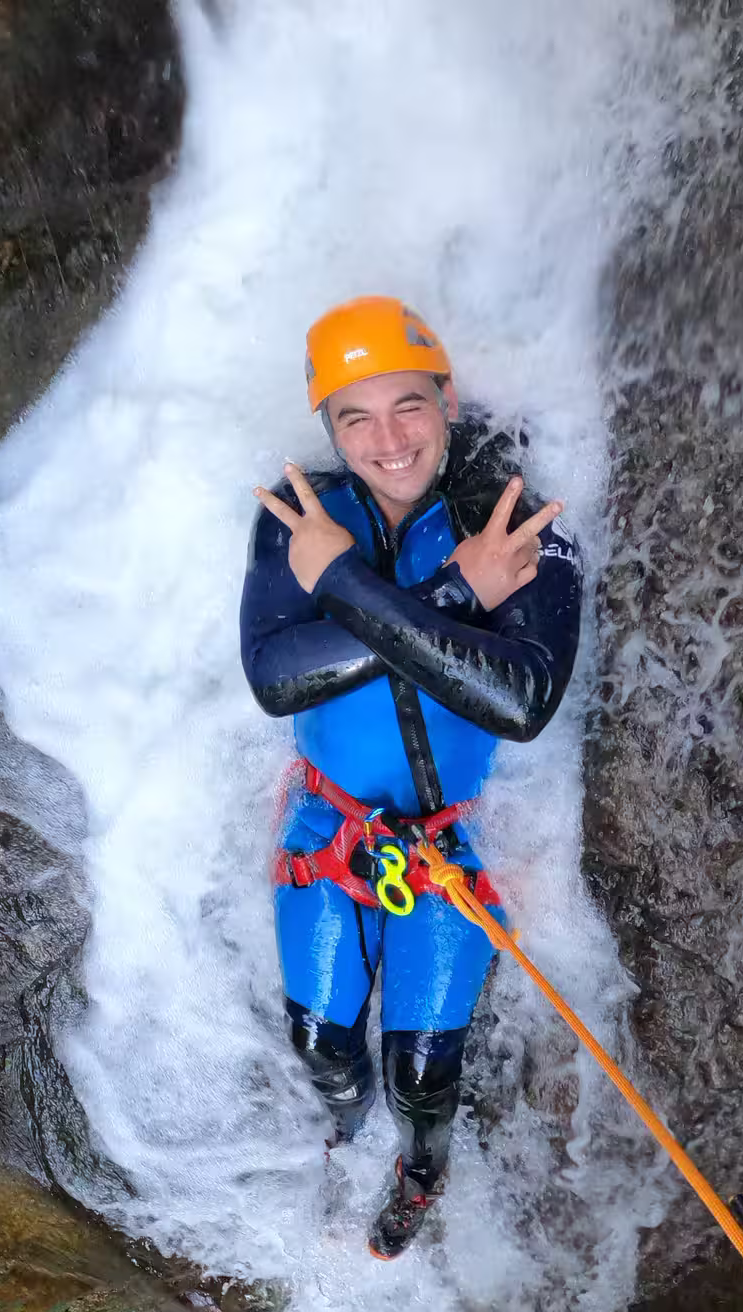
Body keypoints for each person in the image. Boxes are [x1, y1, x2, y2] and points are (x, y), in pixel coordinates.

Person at [240, 296, 582, 1258]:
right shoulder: (298, 515)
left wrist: (344, 585)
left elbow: (520, 700)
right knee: (319, 1043)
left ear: (449, 398)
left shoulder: (514, 517)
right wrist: (456, 595)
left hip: (445, 843)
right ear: (329, 429)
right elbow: (276, 679)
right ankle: (340, 1128)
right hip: (328, 830)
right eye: (355, 416)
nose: (387, 441)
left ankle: (421, 1169)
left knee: (426, 1072)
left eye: (409, 406)